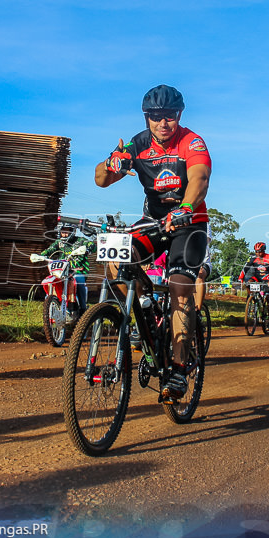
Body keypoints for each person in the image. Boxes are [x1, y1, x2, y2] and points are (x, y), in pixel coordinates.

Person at [94, 84, 211, 401]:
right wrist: (112, 162)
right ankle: (144, 308)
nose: (163, 123)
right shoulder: (139, 144)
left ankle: (178, 368)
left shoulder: (192, 141)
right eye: (155, 117)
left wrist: (186, 208)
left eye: (169, 116)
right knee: (116, 258)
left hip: (190, 224)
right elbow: (101, 180)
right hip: (153, 221)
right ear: (147, 117)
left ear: (179, 115)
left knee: (178, 288)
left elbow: (199, 178)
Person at [41, 222, 96, 313]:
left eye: (67, 232)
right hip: (61, 270)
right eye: (62, 232)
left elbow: (92, 245)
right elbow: (50, 250)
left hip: (77, 271)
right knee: (52, 282)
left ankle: (83, 308)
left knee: (79, 283)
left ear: (72, 232)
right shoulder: (59, 243)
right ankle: (49, 304)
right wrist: (41, 255)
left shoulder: (80, 240)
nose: (64, 234)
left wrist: (88, 250)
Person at [239, 242, 269, 313]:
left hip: (268, 278)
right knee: (249, 282)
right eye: (256, 252)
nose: (258, 254)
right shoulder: (253, 258)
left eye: (260, 252)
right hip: (257, 277)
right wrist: (241, 278)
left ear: (263, 251)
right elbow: (245, 268)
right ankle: (251, 299)